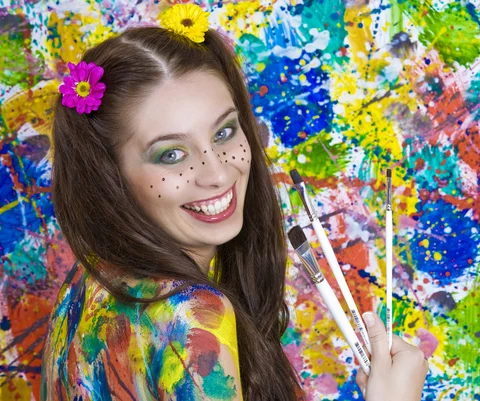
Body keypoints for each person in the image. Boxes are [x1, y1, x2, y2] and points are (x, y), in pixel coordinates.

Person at [41, 4, 428, 400]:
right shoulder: (192, 317)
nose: (218, 174)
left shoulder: (89, 282)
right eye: (171, 154)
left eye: (224, 132)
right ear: (109, 177)